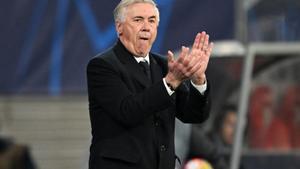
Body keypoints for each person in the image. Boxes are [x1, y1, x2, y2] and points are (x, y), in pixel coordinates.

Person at [86, 0, 213, 169]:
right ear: (119, 27)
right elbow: (128, 111)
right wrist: (170, 82)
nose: (146, 27)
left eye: (152, 20)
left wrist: (198, 81)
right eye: (138, 20)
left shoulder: (163, 65)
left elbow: (194, 115)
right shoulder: (102, 66)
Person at [188, 104, 238, 169]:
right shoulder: (205, 146)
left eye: (238, 127)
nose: (234, 131)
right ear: (220, 123)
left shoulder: (234, 153)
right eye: (230, 124)